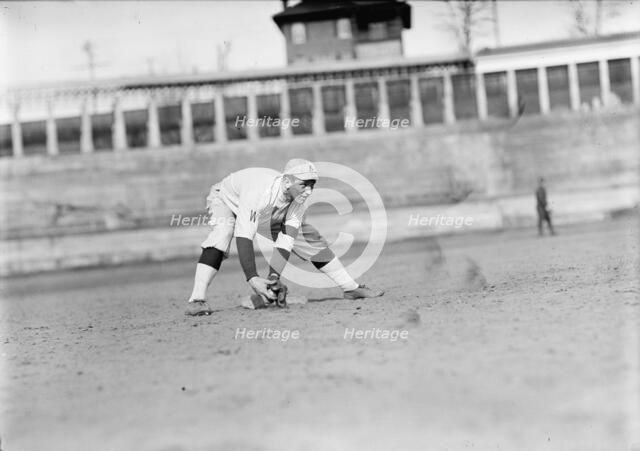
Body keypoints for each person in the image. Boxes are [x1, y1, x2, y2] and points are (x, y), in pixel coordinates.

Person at [185, 158, 384, 316]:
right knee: (224, 232)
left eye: (312, 185)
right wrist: (253, 279)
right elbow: (244, 236)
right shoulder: (259, 192)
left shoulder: (297, 200)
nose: (309, 191)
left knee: (306, 238)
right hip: (227, 199)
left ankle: (351, 288)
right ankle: (196, 300)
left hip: (266, 211)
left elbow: (286, 241)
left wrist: (273, 278)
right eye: (304, 185)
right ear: (287, 181)